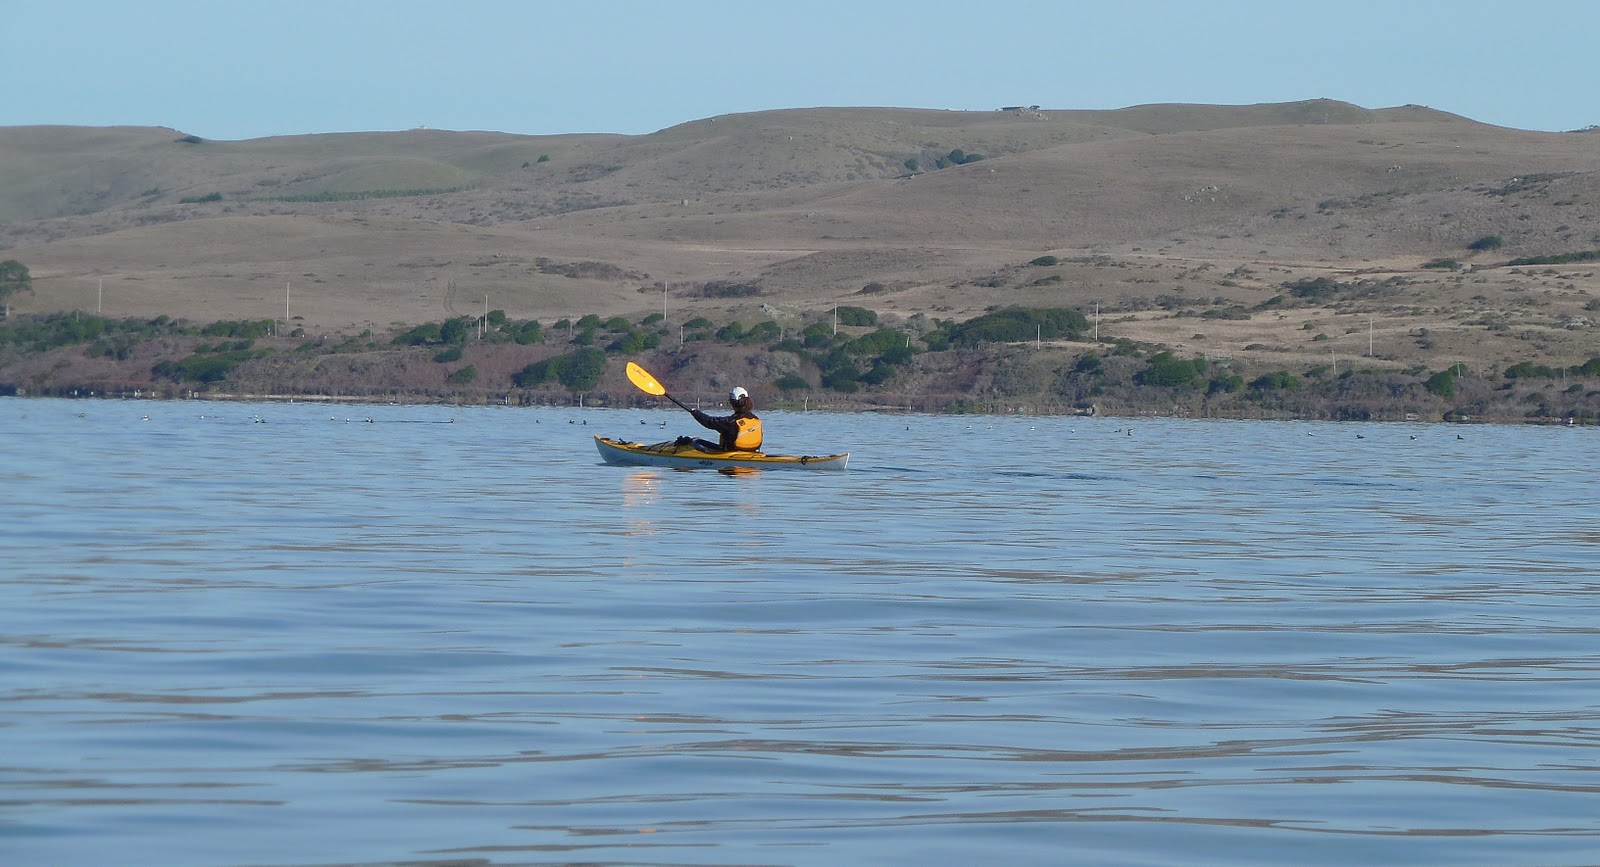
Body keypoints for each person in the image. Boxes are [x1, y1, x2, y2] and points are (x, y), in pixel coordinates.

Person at [677, 386, 763, 452]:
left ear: (732, 403)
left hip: (730, 455)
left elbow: (709, 421)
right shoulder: (755, 420)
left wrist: (696, 413)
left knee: (695, 442)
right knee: (699, 441)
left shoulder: (731, 422)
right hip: (752, 453)